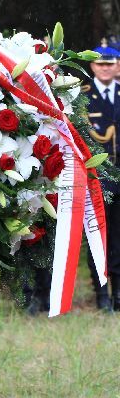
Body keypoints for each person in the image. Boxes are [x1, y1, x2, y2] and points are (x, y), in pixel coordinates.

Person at [84, 40, 120, 310]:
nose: (105, 68)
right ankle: (102, 294)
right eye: (100, 64)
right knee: (98, 237)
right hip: (97, 178)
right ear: (92, 66)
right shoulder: (82, 97)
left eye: (110, 64)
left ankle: (117, 293)